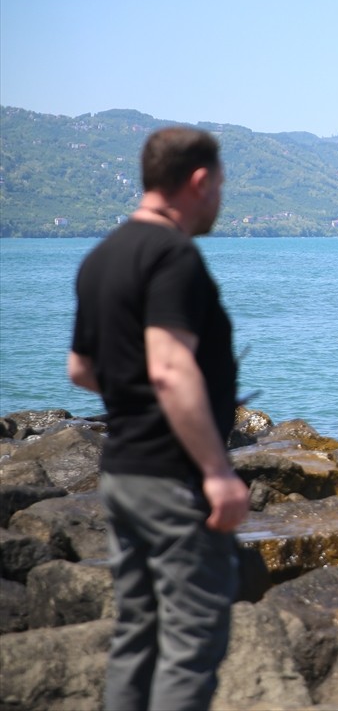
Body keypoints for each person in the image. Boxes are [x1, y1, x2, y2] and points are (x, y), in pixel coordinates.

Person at [67, 126, 249, 711]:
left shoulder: (103, 255)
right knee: (193, 639)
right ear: (199, 182)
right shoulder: (173, 257)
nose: (220, 198)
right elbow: (171, 368)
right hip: (172, 477)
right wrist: (217, 470)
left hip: (122, 472)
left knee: (136, 634)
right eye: (220, 185)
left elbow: (81, 369)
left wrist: (137, 407)